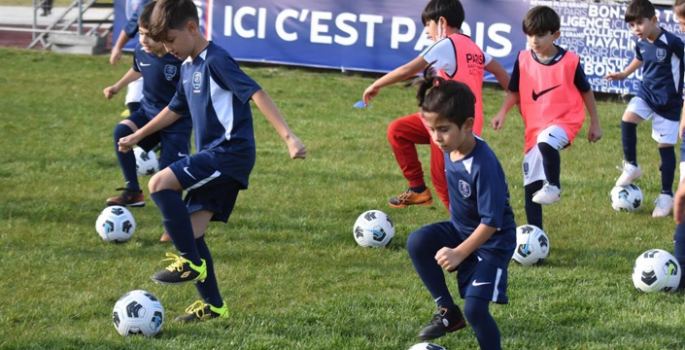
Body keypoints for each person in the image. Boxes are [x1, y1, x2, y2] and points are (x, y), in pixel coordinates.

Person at [118, 0, 306, 322]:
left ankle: (190, 263)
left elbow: (256, 93)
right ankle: (214, 306)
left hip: (229, 153)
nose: (167, 48)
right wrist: (139, 135)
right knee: (192, 233)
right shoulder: (188, 66)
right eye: (162, 42)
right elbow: (175, 108)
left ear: (192, 28)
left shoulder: (216, 60)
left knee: (159, 182)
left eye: (171, 40)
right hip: (215, 155)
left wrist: (289, 137)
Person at [362, 0, 510, 210]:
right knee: (398, 131)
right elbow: (503, 74)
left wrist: (376, 85)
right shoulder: (473, 47)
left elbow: (407, 70)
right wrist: (508, 106)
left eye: (427, 25)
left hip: (452, 124)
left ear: (441, 22)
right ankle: (418, 190)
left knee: (444, 181)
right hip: (449, 119)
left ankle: (464, 228)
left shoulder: (446, 44)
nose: (426, 32)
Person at [405, 68, 516, 349]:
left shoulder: (483, 164)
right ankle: (447, 311)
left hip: (492, 243)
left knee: (476, 310)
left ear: (468, 125)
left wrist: (458, 252)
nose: (436, 137)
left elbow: (491, 222)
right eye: (431, 129)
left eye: (443, 130)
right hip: (461, 230)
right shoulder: (451, 148)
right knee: (418, 241)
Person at [490, 5, 602, 230]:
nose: (534, 40)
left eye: (540, 35)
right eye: (530, 35)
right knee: (531, 185)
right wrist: (502, 112)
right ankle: (535, 233)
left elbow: (586, 91)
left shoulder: (570, 61)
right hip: (534, 128)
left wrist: (595, 123)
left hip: (565, 122)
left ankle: (554, 185)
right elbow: (514, 91)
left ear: (555, 35)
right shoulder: (523, 59)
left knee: (546, 140)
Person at [103, 1, 192, 242]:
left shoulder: (179, 60)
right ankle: (133, 191)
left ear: (165, 35)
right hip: (148, 113)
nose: (143, 41)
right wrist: (117, 86)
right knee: (121, 132)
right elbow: (138, 69)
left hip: (176, 123)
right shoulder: (142, 51)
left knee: (167, 176)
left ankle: (175, 225)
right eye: (141, 34)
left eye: (150, 36)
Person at [604, 0, 684, 218]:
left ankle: (666, 196)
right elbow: (640, 59)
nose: (635, 29)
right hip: (646, 93)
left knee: (665, 148)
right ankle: (631, 165)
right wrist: (623, 74)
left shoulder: (673, 42)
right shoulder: (640, 42)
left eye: (639, 23)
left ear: (654, 20)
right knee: (627, 120)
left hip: (669, 103)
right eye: (631, 25)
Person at [110, 0, 153, 117]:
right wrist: (117, 47)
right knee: (133, 101)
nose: (144, 38)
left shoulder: (177, 7)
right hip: (148, 60)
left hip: (168, 67)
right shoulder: (145, 5)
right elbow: (130, 26)